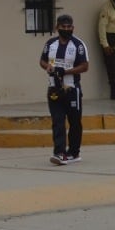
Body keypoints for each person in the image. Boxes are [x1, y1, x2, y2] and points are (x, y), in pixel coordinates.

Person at [40, 13, 89, 165]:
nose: (66, 29)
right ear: (57, 28)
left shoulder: (78, 45)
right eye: (63, 27)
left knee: (75, 121)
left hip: (72, 89)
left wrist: (66, 71)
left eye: (69, 27)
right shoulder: (50, 44)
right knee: (57, 120)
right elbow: (42, 61)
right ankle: (59, 152)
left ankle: (74, 152)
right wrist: (47, 66)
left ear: (73, 28)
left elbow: (85, 66)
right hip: (54, 88)